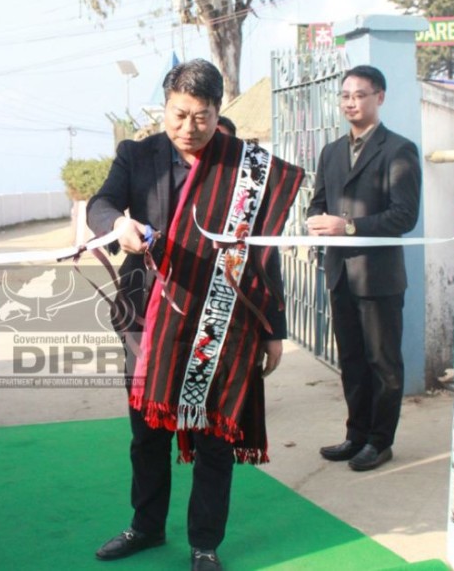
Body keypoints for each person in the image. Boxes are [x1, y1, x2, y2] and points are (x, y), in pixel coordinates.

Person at [87, 59, 303, 571]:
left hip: (222, 322)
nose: (189, 128)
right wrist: (118, 224)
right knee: (147, 433)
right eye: (179, 115)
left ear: (217, 111)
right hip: (149, 321)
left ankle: (204, 543)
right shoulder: (136, 156)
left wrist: (274, 329)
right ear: (165, 106)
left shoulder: (245, 169)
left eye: (201, 117)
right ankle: (146, 526)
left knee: (213, 437)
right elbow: (100, 204)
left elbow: (263, 256)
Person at [306, 64, 422, 472]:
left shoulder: (398, 150)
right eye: (345, 96)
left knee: (383, 363)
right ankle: (355, 435)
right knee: (352, 360)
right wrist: (315, 221)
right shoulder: (331, 151)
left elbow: (404, 216)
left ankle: (379, 441)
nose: (351, 102)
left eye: (360, 95)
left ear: (380, 98)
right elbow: (318, 201)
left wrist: (348, 226)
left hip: (379, 277)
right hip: (340, 272)